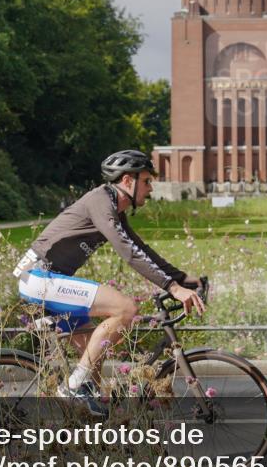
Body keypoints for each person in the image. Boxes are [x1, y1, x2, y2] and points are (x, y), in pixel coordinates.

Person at [14, 149, 204, 416]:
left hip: (50, 280)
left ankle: (87, 424)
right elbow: (127, 252)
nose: (150, 188)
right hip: (37, 278)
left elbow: (142, 250)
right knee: (125, 308)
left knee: (95, 357)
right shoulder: (100, 201)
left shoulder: (115, 209)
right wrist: (173, 288)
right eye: (147, 181)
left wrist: (182, 279)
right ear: (128, 181)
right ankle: (71, 389)